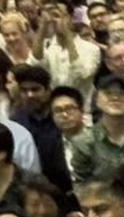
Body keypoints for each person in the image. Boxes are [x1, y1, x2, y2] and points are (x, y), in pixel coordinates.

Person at [10, 62, 75, 194]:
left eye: (35, 89)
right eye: (24, 90)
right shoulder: (16, 122)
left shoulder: (63, 118)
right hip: (30, 189)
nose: (30, 95)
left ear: (48, 91)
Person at [69, 75, 124, 183]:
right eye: (108, 93)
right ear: (96, 100)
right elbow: (81, 185)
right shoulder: (84, 142)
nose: (115, 98)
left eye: (122, 93)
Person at [34, 0, 103, 111]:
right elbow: (36, 63)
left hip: (84, 111)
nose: (53, 20)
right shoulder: (48, 47)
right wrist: (42, 29)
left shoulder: (91, 49)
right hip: (55, 111)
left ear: (71, 18)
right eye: (51, 16)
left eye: (57, 15)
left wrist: (67, 35)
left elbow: (82, 74)